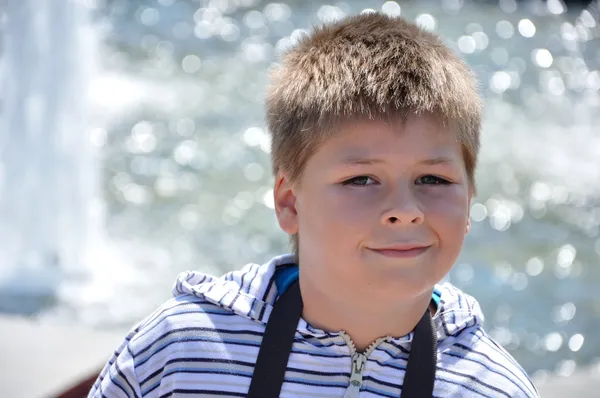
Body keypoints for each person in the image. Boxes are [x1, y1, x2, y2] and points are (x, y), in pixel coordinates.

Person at [89, 12, 540, 398]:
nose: (405, 209)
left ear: (469, 202)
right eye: (361, 179)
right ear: (289, 202)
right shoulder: (181, 354)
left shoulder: (491, 387)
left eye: (433, 179)